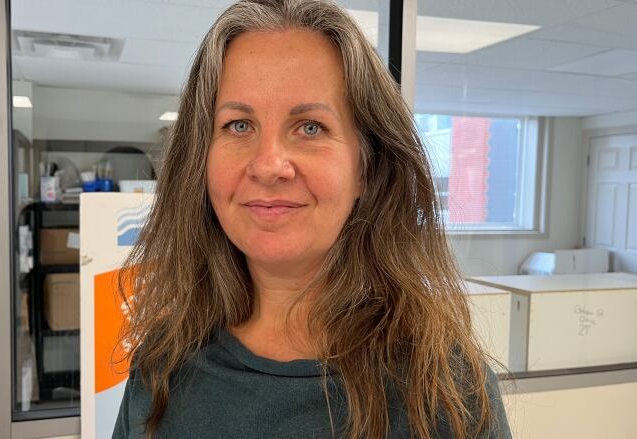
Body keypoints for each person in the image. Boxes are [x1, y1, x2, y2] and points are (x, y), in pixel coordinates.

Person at [113, 0, 511, 437]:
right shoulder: (161, 368)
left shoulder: (444, 391)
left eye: (310, 127)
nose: (268, 166)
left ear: (366, 168)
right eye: (239, 126)